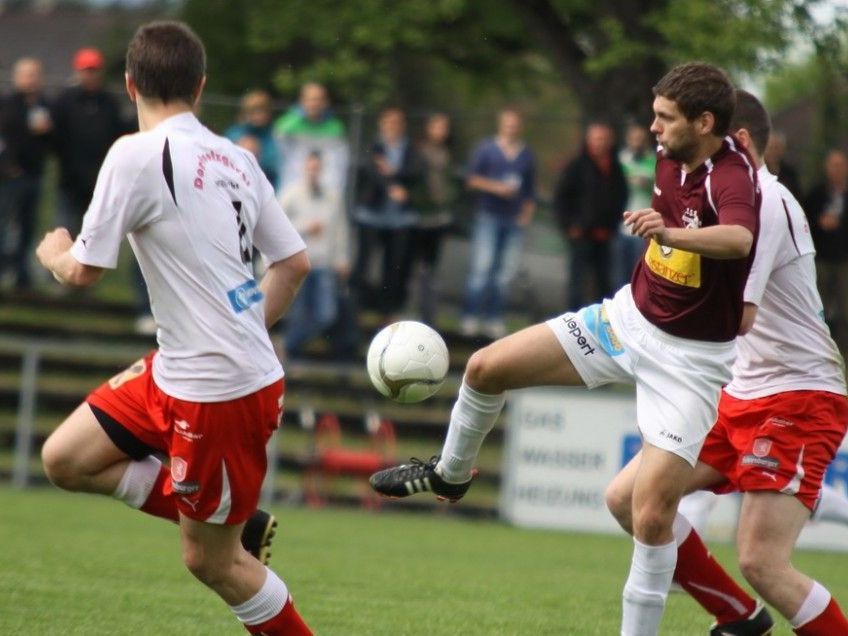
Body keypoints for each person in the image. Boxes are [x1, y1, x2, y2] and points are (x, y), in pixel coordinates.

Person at [369, 62, 759, 636]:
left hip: (690, 365)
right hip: (625, 322)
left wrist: (669, 234)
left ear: (704, 122)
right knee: (485, 367)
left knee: (650, 517)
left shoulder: (731, 174)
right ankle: (451, 474)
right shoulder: (675, 153)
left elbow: (738, 238)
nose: (652, 129)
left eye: (664, 119)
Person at [34, 22, 312, 635]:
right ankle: (242, 520)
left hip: (219, 390)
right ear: (201, 86)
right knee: (66, 458)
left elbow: (80, 270)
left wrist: (51, 248)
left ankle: (236, 541)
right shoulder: (236, 157)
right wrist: (245, 327)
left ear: (130, 83)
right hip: (178, 366)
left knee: (212, 563)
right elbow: (293, 265)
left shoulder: (135, 152)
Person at [607, 90, 848, 635]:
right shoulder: (720, 198)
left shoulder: (764, 202)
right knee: (628, 500)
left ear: (734, 141)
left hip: (797, 395)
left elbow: (737, 317)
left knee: (763, 561)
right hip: (738, 392)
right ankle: (738, 618)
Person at [460, 107, 536, 339]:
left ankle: (495, 318)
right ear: (500, 124)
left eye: (515, 124)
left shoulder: (526, 155)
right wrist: (496, 188)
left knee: (504, 274)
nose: (511, 128)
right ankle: (470, 316)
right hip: (489, 216)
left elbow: (530, 190)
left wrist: (526, 213)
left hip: (513, 220)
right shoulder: (486, 149)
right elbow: (471, 180)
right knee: (482, 268)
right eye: (507, 124)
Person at [51, 47, 130, 236]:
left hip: (99, 180)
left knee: (93, 234)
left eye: (94, 70)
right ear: (78, 71)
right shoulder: (66, 100)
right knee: (65, 231)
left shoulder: (109, 101)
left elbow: (118, 133)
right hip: (70, 180)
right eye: (87, 70)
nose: (91, 75)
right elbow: (56, 137)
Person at [351, 106, 421, 320]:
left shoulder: (410, 149)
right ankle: (356, 307)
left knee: (395, 266)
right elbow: (370, 171)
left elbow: (416, 172)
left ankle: (388, 310)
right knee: (364, 262)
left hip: (399, 218)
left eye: (397, 122)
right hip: (371, 214)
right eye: (389, 122)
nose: (393, 126)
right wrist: (390, 186)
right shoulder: (373, 146)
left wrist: (393, 172)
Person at [281, 150, 349, 360]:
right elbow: (278, 226)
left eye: (317, 169)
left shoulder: (332, 196)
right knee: (298, 312)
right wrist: (305, 227)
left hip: (323, 264)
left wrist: (342, 258)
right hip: (298, 262)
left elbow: (340, 229)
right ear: (303, 169)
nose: (313, 173)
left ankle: (289, 344)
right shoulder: (290, 194)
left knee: (326, 314)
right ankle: (292, 352)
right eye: (310, 168)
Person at [553, 121, 628, 310]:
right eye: (596, 138)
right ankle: (572, 321)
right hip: (581, 234)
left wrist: (614, 223)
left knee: (604, 282)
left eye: (604, 139)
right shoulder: (577, 166)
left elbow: (621, 194)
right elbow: (561, 198)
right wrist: (570, 226)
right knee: (578, 281)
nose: (600, 143)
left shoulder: (615, 167)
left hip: (605, 234)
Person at [0, 57, 52, 290]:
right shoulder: (7, 103)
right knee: (5, 223)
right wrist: (8, 165)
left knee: (28, 226)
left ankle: (22, 274)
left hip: (35, 173)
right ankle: (4, 268)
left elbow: (53, 142)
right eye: (26, 74)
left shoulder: (44, 105)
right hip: (9, 176)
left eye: (35, 74)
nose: (31, 80)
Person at [412, 112, 456, 326]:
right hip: (421, 217)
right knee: (417, 266)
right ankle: (415, 308)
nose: (441, 131)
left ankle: (428, 312)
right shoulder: (420, 152)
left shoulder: (447, 153)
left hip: (439, 217)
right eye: (436, 126)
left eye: (444, 127)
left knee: (431, 268)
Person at [804, 149, 848, 353]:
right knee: (821, 308)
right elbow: (807, 225)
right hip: (821, 259)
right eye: (833, 165)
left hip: (844, 260)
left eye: (841, 165)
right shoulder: (816, 195)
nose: (837, 170)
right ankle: (821, 349)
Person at [274, 81, 348, 192]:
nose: (314, 104)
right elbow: (280, 161)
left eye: (319, 99)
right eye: (310, 99)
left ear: (326, 102)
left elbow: (338, 167)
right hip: (291, 189)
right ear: (301, 101)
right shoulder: (286, 125)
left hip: (324, 191)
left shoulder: (336, 128)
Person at [614, 122, 656, 289]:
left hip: (642, 227)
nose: (637, 143)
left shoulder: (653, 160)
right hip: (621, 225)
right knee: (618, 275)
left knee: (637, 274)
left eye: (640, 139)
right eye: (634, 139)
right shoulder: (621, 159)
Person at [225, 90, 280, 190]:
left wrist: (258, 157)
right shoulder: (234, 134)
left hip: (270, 188)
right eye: (253, 111)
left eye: (261, 110)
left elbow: (277, 164)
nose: (258, 115)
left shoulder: (276, 135)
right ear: (245, 113)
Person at [764, 130, 802, 200]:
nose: (773, 152)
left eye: (776, 148)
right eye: (770, 148)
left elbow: (797, 198)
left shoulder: (790, 174)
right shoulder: (758, 172)